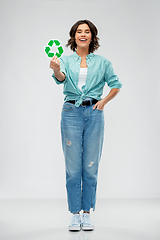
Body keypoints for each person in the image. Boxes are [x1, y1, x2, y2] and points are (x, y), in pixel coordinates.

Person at [50, 19, 122, 231]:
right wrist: (55, 69)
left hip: (94, 113)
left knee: (90, 166)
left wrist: (103, 102)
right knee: (73, 168)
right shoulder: (65, 60)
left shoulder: (102, 62)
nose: (83, 34)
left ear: (92, 36)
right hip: (70, 113)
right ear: (74, 37)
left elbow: (116, 85)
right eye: (79, 31)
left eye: (87, 31)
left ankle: (87, 213)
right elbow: (61, 78)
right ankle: (74, 214)